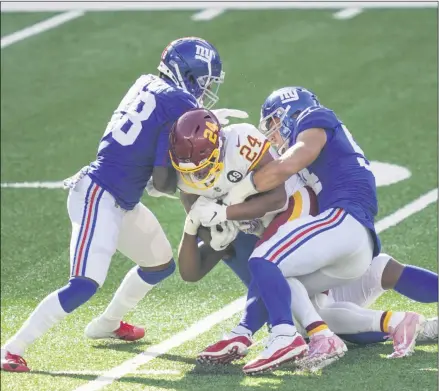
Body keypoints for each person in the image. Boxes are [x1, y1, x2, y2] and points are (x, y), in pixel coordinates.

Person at [1, 36, 229, 373]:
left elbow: (148, 151)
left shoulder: (147, 83)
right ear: (188, 75)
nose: (206, 91)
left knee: (159, 264)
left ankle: (108, 323)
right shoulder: (179, 102)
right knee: (83, 284)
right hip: (98, 195)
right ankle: (11, 348)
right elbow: (163, 180)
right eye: (204, 82)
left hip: (119, 196)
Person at [189, 87, 427, 373]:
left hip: (343, 218)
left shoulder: (315, 117)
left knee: (264, 259)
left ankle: (284, 337)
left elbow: (288, 164)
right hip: (347, 234)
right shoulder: (316, 148)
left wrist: (233, 198)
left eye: (274, 124)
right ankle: (304, 334)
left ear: (289, 112)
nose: (273, 135)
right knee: (288, 286)